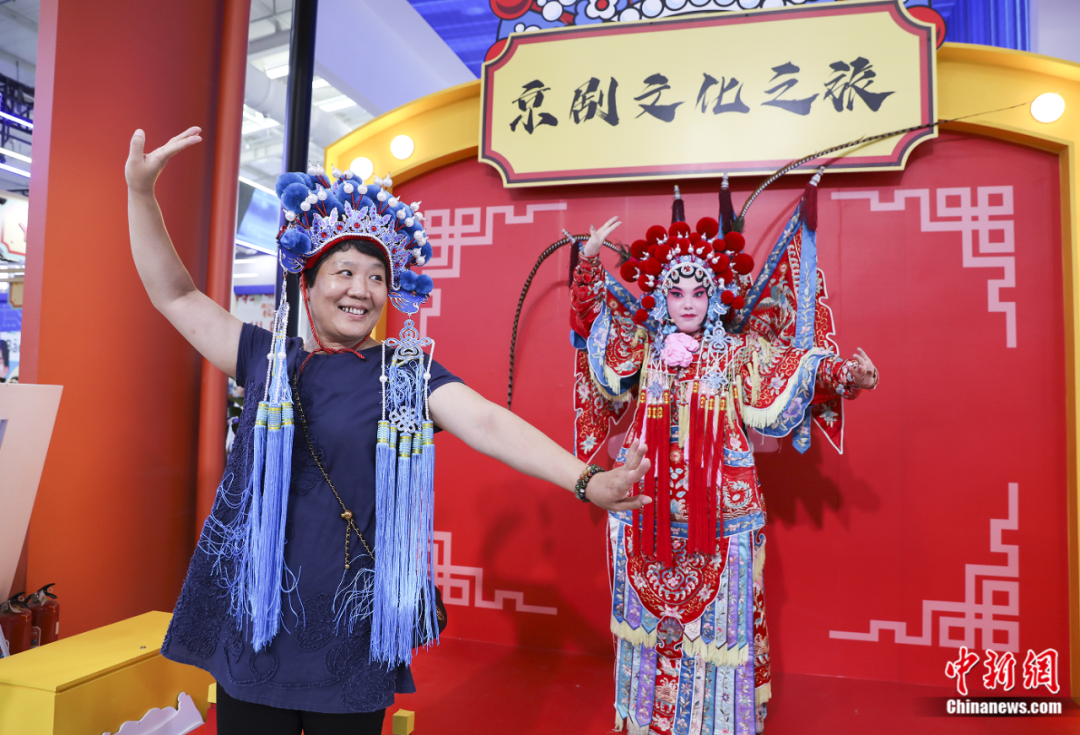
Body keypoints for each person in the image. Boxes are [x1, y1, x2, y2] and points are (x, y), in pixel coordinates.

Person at [125, 127, 652, 735]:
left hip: (354, 630)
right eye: (344, 272)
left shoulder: (406, 373)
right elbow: (175, 295)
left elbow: (486, 420)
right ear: (308, 283)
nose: (361, 290)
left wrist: (587, 480)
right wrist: (140, 192)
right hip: (256, 622)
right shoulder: (265, 359)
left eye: (376, 277)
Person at [570, 209, 877, 735]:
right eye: (676, 293)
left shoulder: (738, 353)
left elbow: (797, 366)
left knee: (721, 629)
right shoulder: (644, 348)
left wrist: (849, 373)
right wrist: (589, 263)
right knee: (646, 624)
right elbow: (592, 326)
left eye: (698, 293)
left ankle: (716, 724)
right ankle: (647, 720)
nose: (687, 303)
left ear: (713, 297)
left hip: (720, 515)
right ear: (662, 298)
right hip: (644, 508)